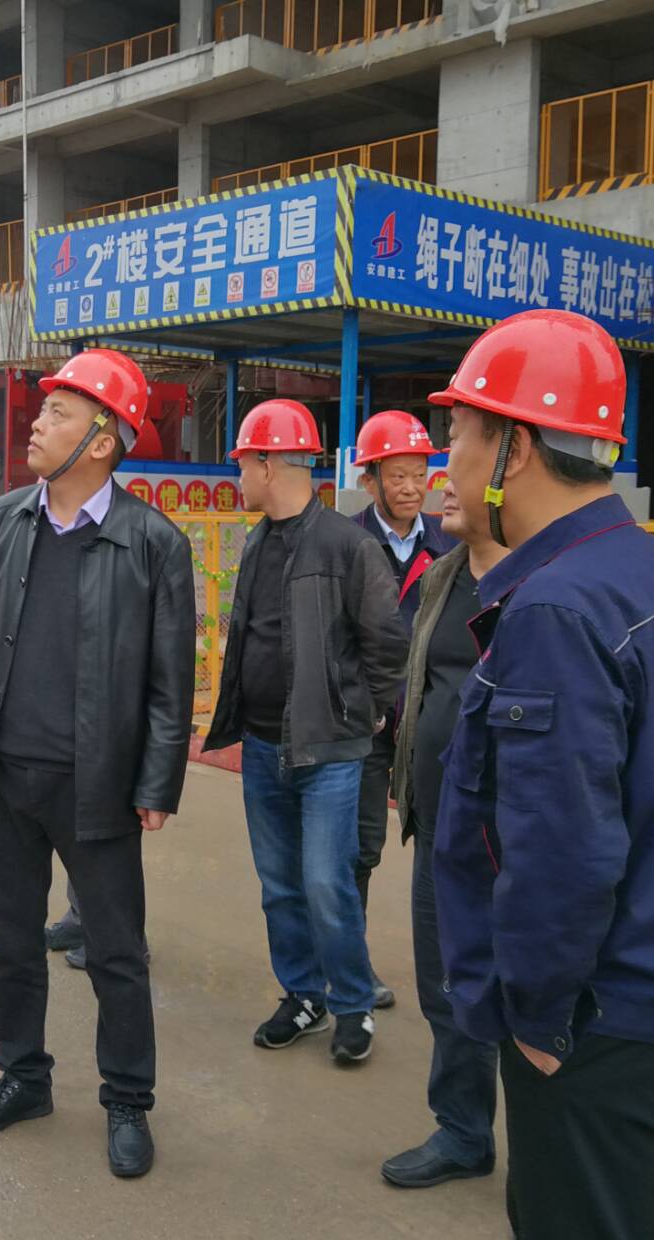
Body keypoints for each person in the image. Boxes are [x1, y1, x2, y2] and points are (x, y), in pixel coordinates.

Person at [429, 310, 654, 1240]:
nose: (449, 459)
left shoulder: (556, 609)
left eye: (460, 435)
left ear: (513, 448)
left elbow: (558, 852)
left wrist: (539, 1021)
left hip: (594, 1016)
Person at [0, 349, 195, 1178]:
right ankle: (24, 1078)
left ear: (103, 441)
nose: (37, 424)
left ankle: (128, 1099)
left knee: (116, 954)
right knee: (11, 944)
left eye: (58, 413)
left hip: (98, 783)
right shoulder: (6, 520)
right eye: (44, 410)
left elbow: (170, 680)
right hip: (7, 774)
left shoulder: (154, 542)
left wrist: (157, 781)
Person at [203, 399, 406, 1065]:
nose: (238, 476)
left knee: (325, 883)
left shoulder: (348, 546)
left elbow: (387, 644)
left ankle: (352, 1003)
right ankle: (303, 995)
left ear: (268, 463)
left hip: (330, 753)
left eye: (243, 463)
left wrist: (363, 713)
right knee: (281, 886)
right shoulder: (258, 541)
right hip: (264, 747)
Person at [381, 467, 507, 1190]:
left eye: (464, 474)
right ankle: (463, 1130)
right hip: (438, 824)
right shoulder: (442, 577)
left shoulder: (542, 584)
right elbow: (420, 681)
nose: (443, 489)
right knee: (446, 986)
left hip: (514, 836)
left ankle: (548, 1161)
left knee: (530, 996)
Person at [350, 410, 457, 1010]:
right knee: (359, 850)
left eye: (420, 474)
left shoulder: (449, 544)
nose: (413, 488)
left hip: (426, 719)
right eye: (398, 477)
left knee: (443, 843)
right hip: (364, 722)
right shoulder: (346, 543)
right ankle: (352, 967)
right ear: (370, 480)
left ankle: (450, 971)